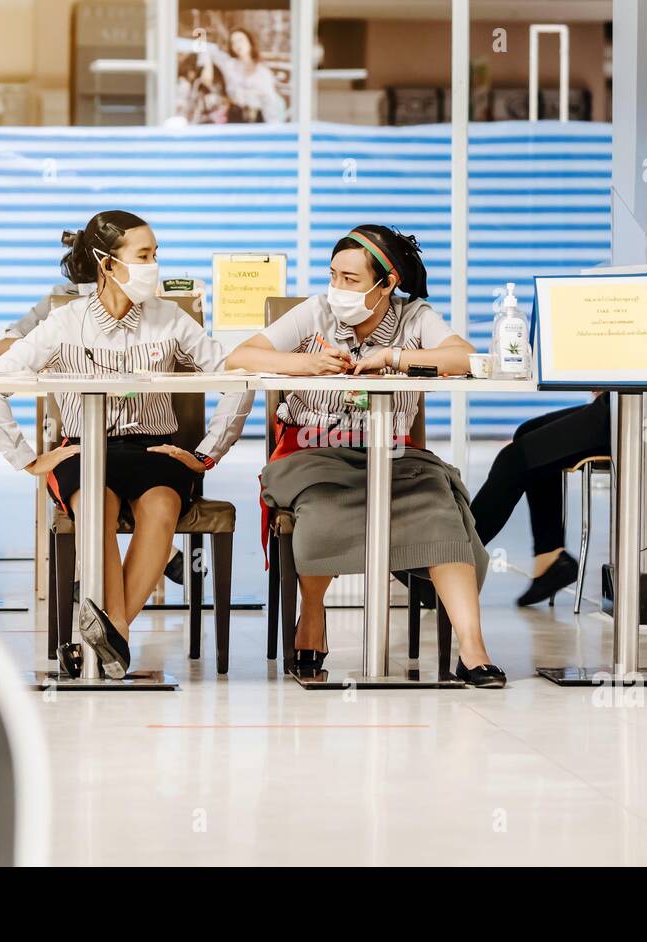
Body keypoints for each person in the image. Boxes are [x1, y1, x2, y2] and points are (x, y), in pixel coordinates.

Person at [0, 210, 252, 678]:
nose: (154, 265)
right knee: (94, 511)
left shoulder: (170, 319)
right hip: (83, 449)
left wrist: (206, 452)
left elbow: (237, 379)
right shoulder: (65, 323)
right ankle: (116, 636)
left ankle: (106, 637)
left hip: (155, 451)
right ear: (106, 263)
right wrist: (29, 459)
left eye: (156, 254)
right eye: (144, 256)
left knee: (162, 510)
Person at [226, 224, 506, 687]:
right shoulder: (315, 312)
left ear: (387, 283)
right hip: (314, 453)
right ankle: (312, 618)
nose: (337, 288)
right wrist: (305, 364)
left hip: (395, 457)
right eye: (333, 275)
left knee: (442, 513)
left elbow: (466, 357)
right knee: (322, 514)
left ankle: (472, 651)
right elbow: (241, 356)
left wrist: (395, 358)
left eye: (350, 280)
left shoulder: (415, 317)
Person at [469, 392, 611, 606]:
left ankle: (456, 558)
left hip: (622, 413)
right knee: (528, 432)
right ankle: (550, 558)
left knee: (513, 460)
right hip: (612, 403)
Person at [197, 27, 286, 123]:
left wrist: (273, 127)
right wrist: (207, 68)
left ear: (250, 42)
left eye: (240, 40)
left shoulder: (262, 71)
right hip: (235, 117)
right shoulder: (229, 65)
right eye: (233, 42)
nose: (237, 44)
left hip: (257, 119)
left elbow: (269, 101)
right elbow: (207, 49)